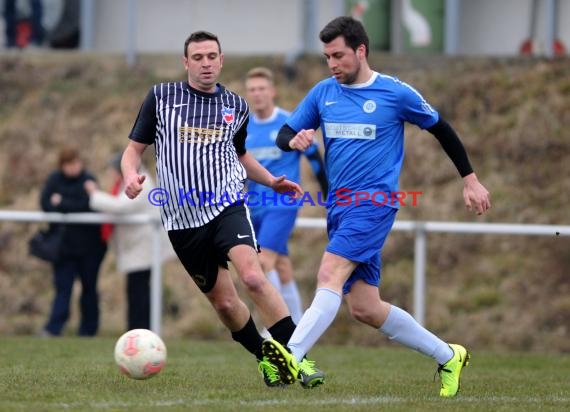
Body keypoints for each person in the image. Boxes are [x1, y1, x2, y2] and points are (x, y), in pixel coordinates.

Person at [262, 16, 491, 396]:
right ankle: (448, 354)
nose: (332, 64)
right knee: (365, 307)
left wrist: (470, 179)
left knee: (329, 273)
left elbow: (441, 128)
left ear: (361, 50)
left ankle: (293, 353)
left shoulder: (395, 93)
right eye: (327, 57)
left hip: (374, 203)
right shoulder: (323, 93)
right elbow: (285, 133)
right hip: (339, 207)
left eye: (339, 55)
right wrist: (294, 141)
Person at [120, 31, 324, 388]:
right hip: (182, 220)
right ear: (186, 62)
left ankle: (298, 358)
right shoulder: (161, 97)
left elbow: (241, 155)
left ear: (221, 59)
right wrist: (129, 176)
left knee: (253, 276)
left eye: (211, 56)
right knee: (226, 305)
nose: (205, 63)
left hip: (227, 204)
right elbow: (133, 150)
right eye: (197, 57)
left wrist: (272, 181)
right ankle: (265, 357)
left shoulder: (235, 106)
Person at [244, 67, 328, 324]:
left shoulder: (289, 123)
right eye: (252, 90)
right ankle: (299, 326)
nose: (257, 94)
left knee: (261, 262)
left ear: (272, 91)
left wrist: (329, 196)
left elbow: (314, 158)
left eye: (262, 89)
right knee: (280, 266)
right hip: (254, 206)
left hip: (282, 204)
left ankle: (276, 329)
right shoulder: (242, 128)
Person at [85, 153, 175, 331]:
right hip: (139, 248)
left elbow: (120, 206)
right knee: (136, 292)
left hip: (144, 248)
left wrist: (93, 194)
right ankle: (138, 329)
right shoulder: (130, 183)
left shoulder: (141, 182)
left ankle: (140, 330)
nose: (110, 175)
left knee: (139, 292)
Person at [39, 146, 107, 337]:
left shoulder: (89, 180)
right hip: (63, 248)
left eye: (76, 163)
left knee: (89, 289)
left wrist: (61, 203)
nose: (73, 168)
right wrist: (68, 205)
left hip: (90, 248)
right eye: (69, 164)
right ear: (62, 166)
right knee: (63, 288)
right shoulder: (54, 180)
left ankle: (88, 330)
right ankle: (54, 328)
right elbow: (45, 203)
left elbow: (90, 205)